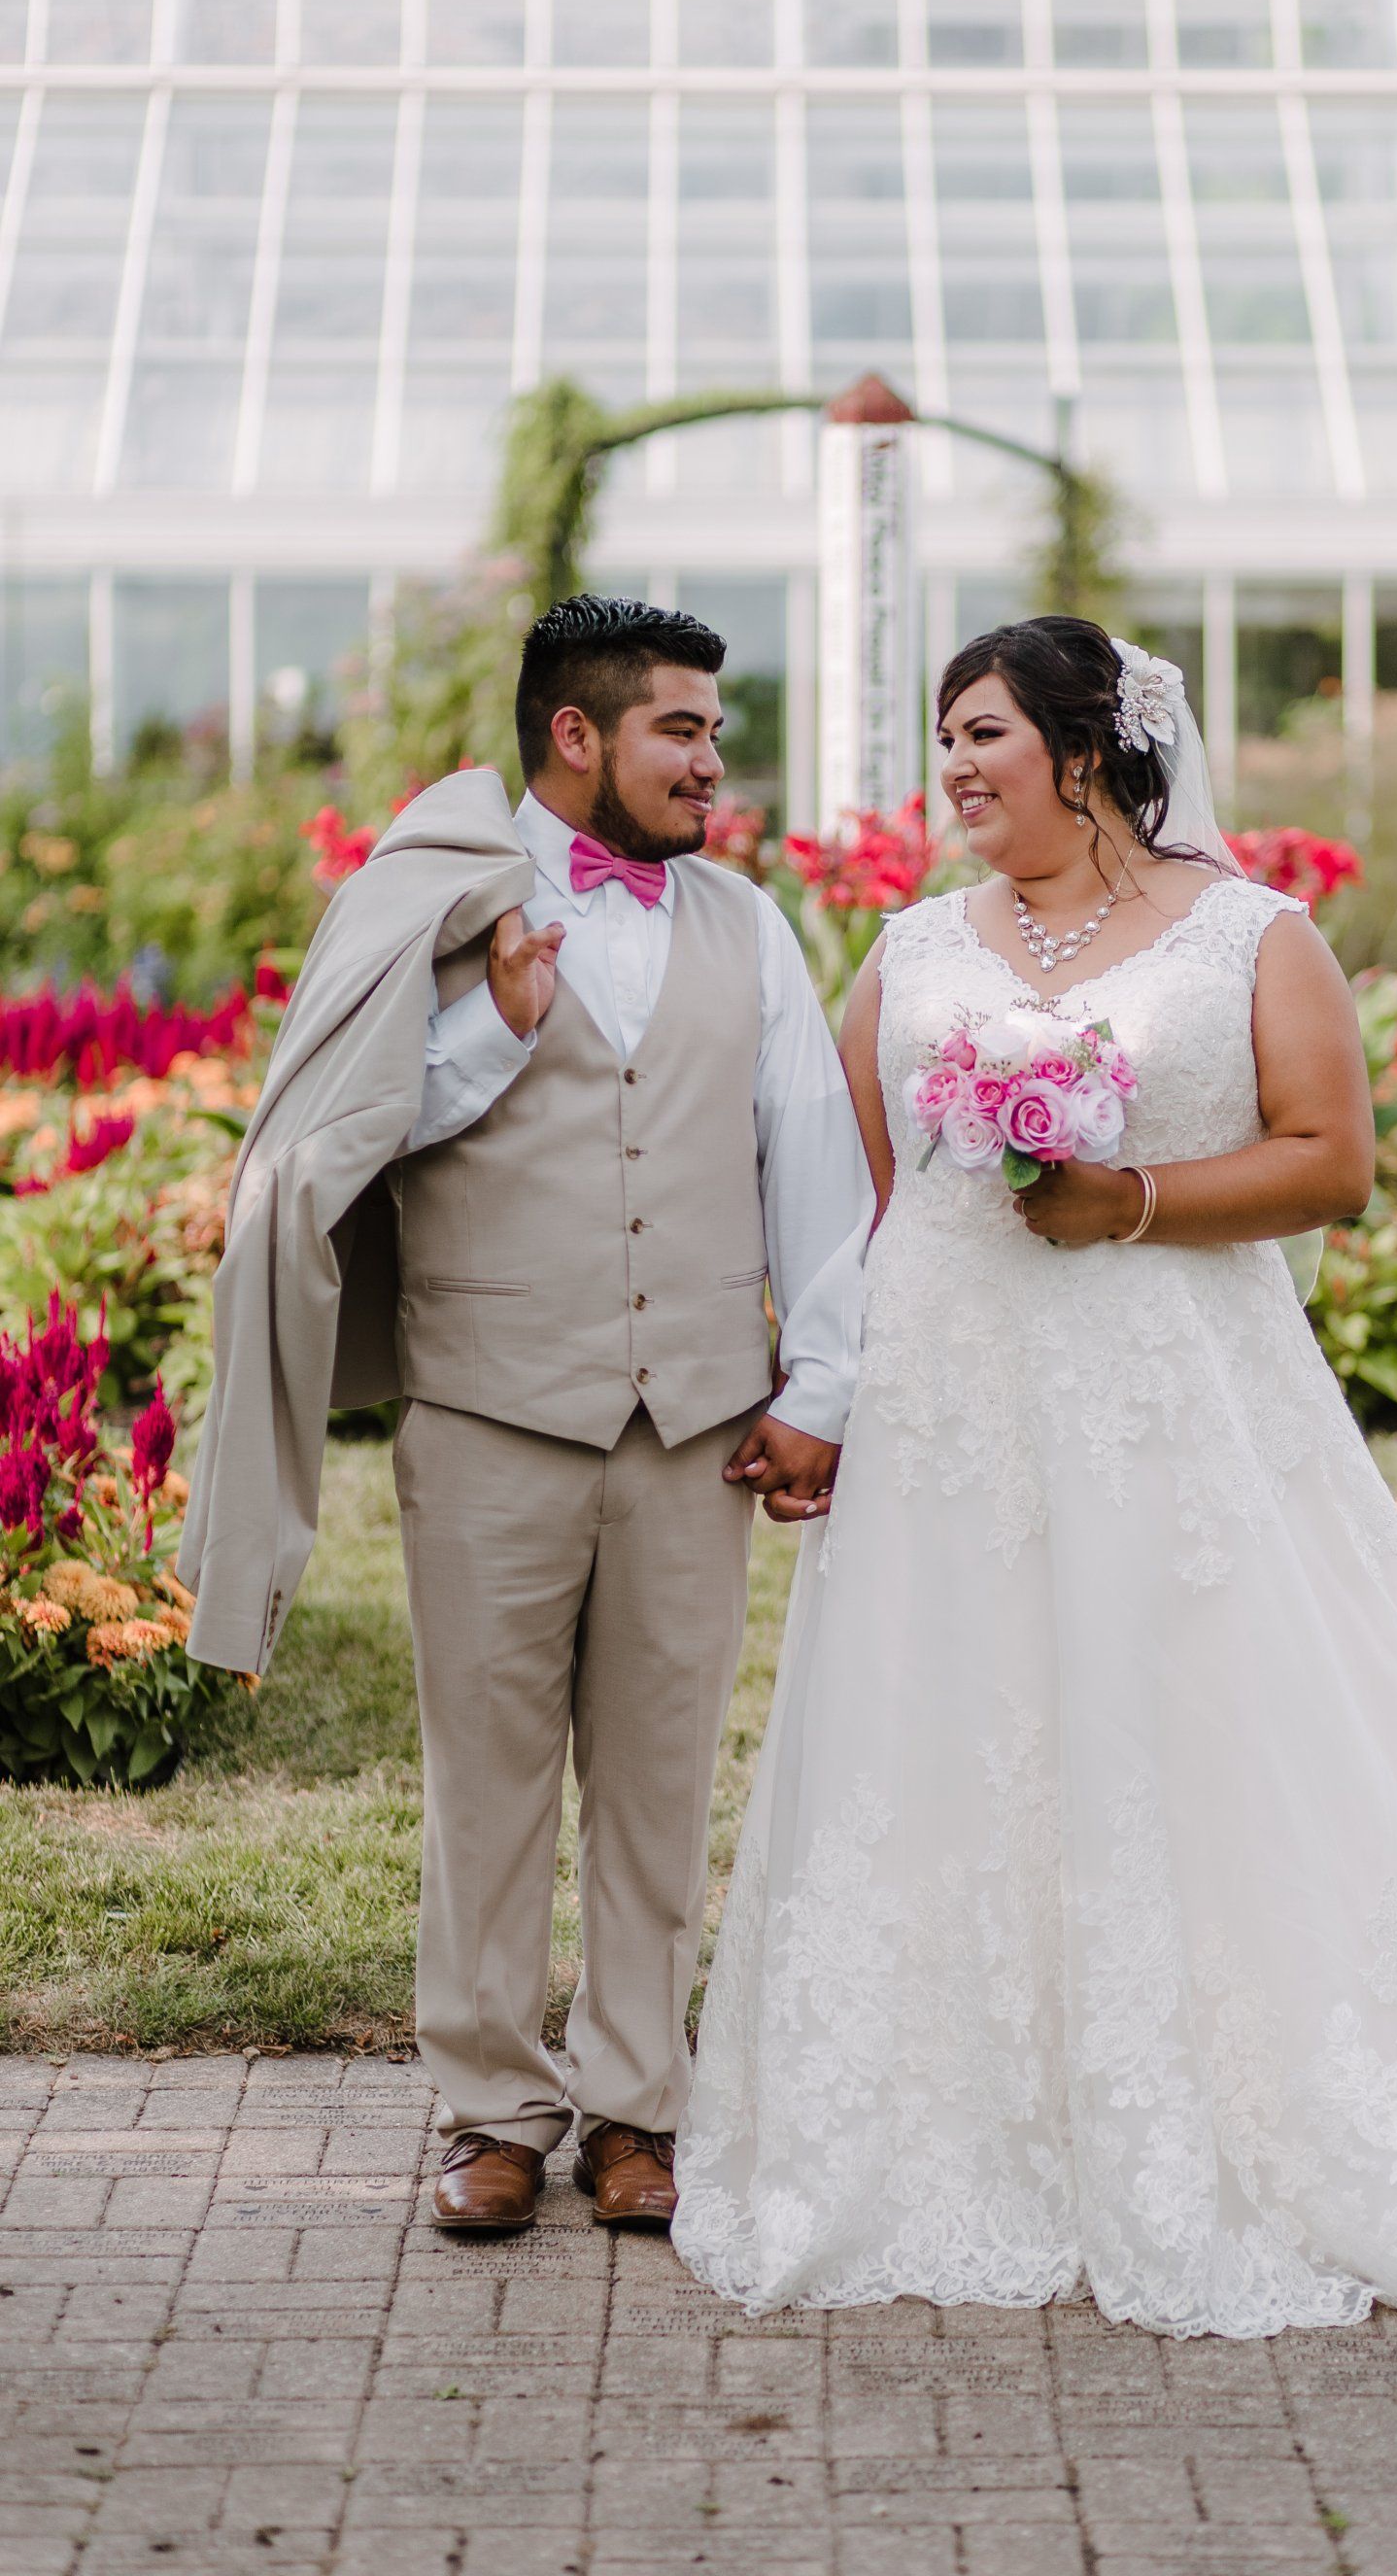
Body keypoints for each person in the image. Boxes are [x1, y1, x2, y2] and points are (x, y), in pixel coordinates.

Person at [671, 613, 1397, 2337]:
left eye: (986, 736)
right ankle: (953, 2120)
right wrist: (839, 1383)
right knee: (948, 1722)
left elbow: (1332, 1162)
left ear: (1087, 751)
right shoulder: (915, 947)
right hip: (955, 1413)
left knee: (1185, 1719)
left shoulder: (1250, 936)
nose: (956, 771)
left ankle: (1238, 2102)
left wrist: (1128, 1200)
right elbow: (858, 1194)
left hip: (1161, 1394)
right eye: (946, 743)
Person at [182, 596, 871, 2236]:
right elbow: (343, 1137)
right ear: (580, 736)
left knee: (658, 1778)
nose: (715, 760)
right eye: (682, 731)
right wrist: (489, 1027)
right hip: (489, 1407)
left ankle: (640, 2110)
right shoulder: (425, 909)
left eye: (713, 729)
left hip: (695, 1418)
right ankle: (490, 2108)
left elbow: (815, 1174)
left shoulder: (751, 928)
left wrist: (823, 1387)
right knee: (486, 1779)